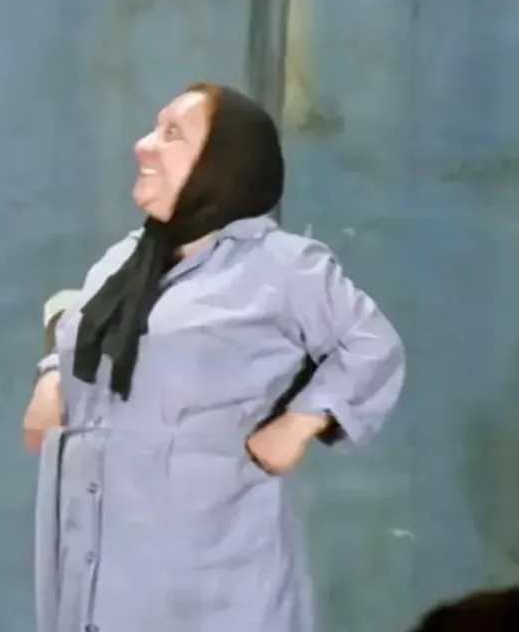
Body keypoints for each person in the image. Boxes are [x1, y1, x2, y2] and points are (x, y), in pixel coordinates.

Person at [23, 83, 405, 631]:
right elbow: (81, 329)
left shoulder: (280, 265)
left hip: (208, 563)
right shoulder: (127, 258)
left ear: (223, 162)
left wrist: (301, 421)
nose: (143, 145)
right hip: (97, 544)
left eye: (171, 134)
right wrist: (52, 379)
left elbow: (370, 343)